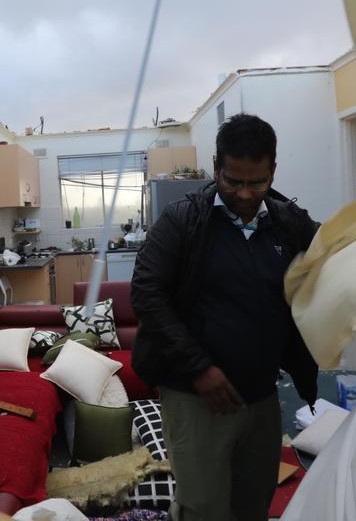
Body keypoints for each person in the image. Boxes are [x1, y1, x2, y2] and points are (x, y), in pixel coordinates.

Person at [131, 113, 320, 521]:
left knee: (254, 501)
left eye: (257, 182)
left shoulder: (288, 223)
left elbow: (335, 250)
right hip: (196, 395)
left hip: (261, 396)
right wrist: (198, 367)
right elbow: (146, 294)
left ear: (273, 170)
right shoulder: (183, 221)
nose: (246, 193)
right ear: (217, 166)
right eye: (233, 181)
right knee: (204, 508)